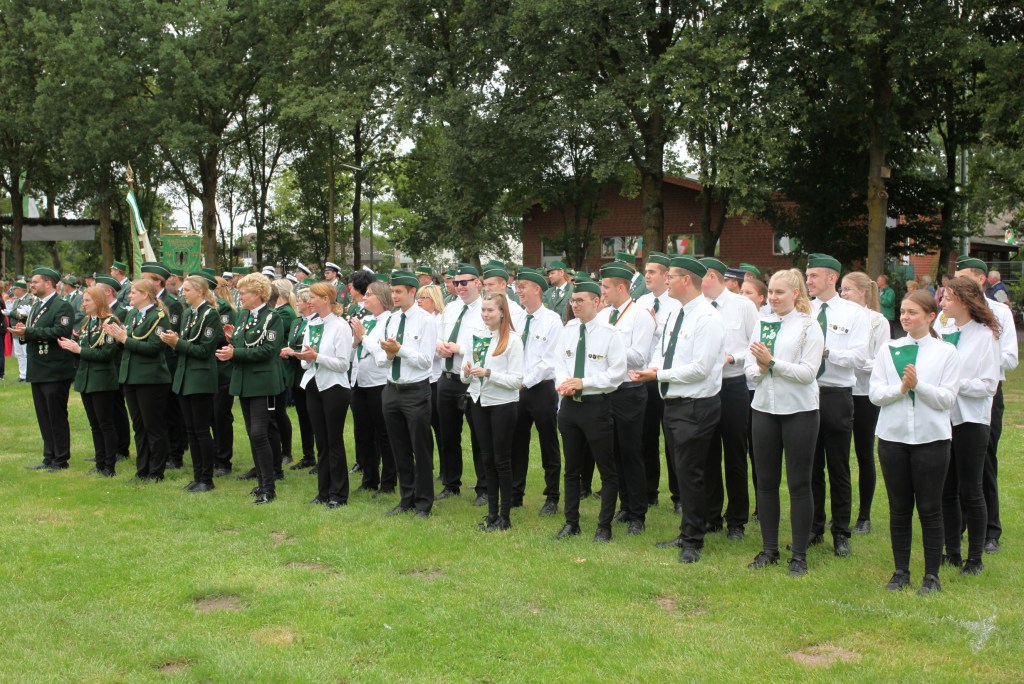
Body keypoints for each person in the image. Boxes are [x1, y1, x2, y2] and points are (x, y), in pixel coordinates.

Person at [633, 257, 724, 563]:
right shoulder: (676, 314)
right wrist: (653, 368)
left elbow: (700, 368)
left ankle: (693, 540)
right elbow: (662, 351)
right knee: (683, 471)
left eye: (671, 276)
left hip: (696, 405)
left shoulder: (707, 319)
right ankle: (688, 531)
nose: (666, 281)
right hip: (674, 403)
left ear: (687, 280)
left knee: (690, 472)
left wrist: (658, 375)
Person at [869, 290, 960, 594]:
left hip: (931, 439)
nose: (905, 317)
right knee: (899, 508)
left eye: (912, 312)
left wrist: (918, 386)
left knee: (930, 508)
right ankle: (900, 572)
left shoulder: (946, 352)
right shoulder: (889, 349)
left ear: (931, 316)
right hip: (893, 438)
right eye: (903, 312)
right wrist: (901, 388)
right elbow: (875, 394)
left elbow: (947, 399)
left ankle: (932, 575)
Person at [744, 269, 824, 577]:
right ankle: (769, 550)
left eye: (780, 292)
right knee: (765, 482)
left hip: (799, 411)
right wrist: (762, 368)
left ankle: (799, 555)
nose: (774, 297)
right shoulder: (762, 323)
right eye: (771, 292)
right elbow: (750, 369)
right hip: (764, 408)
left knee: (799, 483)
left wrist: (772, 363)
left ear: (795, 294)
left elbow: (808, 373)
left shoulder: (809, 326)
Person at [952, 257, 1018, 553]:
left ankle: (990, 529)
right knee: (952, 461)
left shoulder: (1000, 312)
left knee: (984, 460)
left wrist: (981, 359)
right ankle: (957, 527)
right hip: (950, 395)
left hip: (984, 392)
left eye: (963, 277)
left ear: (980, 280)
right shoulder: (947, 315)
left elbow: (1010, 358)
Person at [806, 253, 870, 558]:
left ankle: (841, 531)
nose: (808, 281)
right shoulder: (804, 310)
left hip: (836, 394)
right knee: (810, 466)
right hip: (806, 392)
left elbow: (860, 356)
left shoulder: (853, 313)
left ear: (832, 277)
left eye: (814, 276)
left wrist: (827, 351)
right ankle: (813, 527)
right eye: (807, 276)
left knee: (838, 466)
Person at [553, 276, 626, 542]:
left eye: (580, 301)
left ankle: (603, 526)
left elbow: (616, 374)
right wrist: (565, 382)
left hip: (596, 407)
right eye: (573, 301)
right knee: (571, 468)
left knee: (606, 469)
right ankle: (571, 522)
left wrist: (584, 383)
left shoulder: (610, 334)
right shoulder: (569, 329)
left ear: (596, 301)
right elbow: (559, 362)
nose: (574, 305)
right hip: (569, 406)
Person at [937, 277, 1001, 576]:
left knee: (971, 490)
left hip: (971, 421)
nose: (942, 303)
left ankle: (975, 557)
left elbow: (988, 385)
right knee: (946, 490)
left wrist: (954, 383)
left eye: (947, 298)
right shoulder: (945, 331)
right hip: (944, 419)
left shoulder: (985, 335)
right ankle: (952, 552)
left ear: (963, 301)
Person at [700, 257, 759, 541]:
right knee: (708, 453)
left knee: (735, 453)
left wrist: (733, 357)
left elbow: (757, 345)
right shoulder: (698, 306)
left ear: (712, 276)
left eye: (699, 276)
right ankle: (711, 516)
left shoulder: (742, 305)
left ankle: (736, 520)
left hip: (733, 385)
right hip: (705, 387)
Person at [215, 273, 286, 505]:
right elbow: (244, 343)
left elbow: (268, 350)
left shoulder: (272, 317)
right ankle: (261, 484)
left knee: (259, 434)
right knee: (252, 433)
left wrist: (235, 352)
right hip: (244, 381)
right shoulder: (244, 315)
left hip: (262, 382)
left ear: (257, 294)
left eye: (244, 293)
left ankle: (269, 488)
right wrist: (232, 342)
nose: (240, 296)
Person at [598, 259, 656, 535]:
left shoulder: (639, 315)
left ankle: (638, 513)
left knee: (631, 452)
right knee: (613, 452)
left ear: (621, 287)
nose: (602, 291)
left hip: (629, 392)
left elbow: (639, 357)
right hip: (606, 391)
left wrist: (609, 347)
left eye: (606, 287)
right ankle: (625, 504)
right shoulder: (603, 315)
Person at [374, 270, 438, 518]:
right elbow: (382, 360)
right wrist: (390, 354)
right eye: (392, 291)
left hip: (415, 392)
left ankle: (424, 503)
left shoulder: (426, 320)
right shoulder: (390, 319)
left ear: (413, 291)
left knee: (420, 448)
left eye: (399, 291)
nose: (394, 296)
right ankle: (406, 500)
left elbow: (425, 361)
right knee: (399, 448)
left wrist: (400, 350)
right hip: (392, 389)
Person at [286, 282, 353, 508]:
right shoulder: (312, 324)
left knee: (334, 441)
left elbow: (343, 364)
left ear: (326, 299)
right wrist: (304, 358)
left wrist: (316, 357)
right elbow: (307, 363)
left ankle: (339, 494)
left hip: (335, 387)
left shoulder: (341, 326)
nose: (309, 301)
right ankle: (323, 492)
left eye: (313, 297)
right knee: (321, 442)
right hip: (313, 385)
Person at [462, 292, 524, 531]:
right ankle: (491, 514)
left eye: (490, 310)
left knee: (502, 460)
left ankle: (505, 517)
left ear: (502, 313)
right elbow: (464, 376)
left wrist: (489, 373)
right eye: (483, 310)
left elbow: (516, 381)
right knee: (487, 458)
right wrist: (467, 372)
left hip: (502, 405)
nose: (485, 314)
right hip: (478, 401)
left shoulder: (513, 341)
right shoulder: (477, 337)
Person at [159, 274, 223, 493]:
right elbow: (186, 345)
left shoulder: (210, 315)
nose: (182, 293)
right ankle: (197, 476)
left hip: (200, 378)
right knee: (191, 430)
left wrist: (178, 343)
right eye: (183, 290)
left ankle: (207, 478)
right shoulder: (188, 313)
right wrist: (173, 342)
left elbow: (205, 350)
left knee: (201, 430)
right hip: (185, 377)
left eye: (186, 290)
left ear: (200, 291)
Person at [104, 278, 171, 482]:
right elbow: (127, 343)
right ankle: (142, 470)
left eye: (133, 292)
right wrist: (118, 338)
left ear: (145, 294)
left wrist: (125, 339)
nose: (129, 296)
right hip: (131, 377)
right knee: (139, 426)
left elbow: (155, 348)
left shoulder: (159, 317)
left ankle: (156, 472)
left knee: (153, 426)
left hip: (150, 379)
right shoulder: (133, 314)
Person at [10, 267, 76, 471]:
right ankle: (49, 457)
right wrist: (24, 332)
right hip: (38, 368)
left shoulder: (62, 306)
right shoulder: (37, 305)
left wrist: (29, 332)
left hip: (54, 369)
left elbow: (60, 331)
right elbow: (34, 330)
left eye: (35, 281)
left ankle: (61, 459)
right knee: (43, 416)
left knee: (56, 415)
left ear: (48, 283)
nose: (31, 285)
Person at [840, 271, 891, 534]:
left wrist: (854, 361)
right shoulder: (839, 316)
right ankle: (840, 513)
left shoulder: (878, 321)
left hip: (864, 395)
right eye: (841, 290)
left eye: (847, 289)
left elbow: (882, 361)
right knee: (838, 457)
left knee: (864, 454)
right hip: (840, 391)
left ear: (863, 291)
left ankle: (864, 515)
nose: (843, 294)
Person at [510, 268, 563, 515]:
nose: (519, 291)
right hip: (517, 388)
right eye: (518, 287)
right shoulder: (518, 319)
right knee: (516, 442)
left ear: (537, 290)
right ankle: (515, 493)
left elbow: (550, 361)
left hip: (541, 389)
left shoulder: (552, 320)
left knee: (548, 443)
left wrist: (525, 382)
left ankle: (552, 496)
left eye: (523, 287)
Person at [58, 286, 122, 476]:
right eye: (83, 300)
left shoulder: (109, 322)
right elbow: (85, 351)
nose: (83, 304)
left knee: (105, 424)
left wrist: (79, 350)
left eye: (87, 300)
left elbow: (106, 354)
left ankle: (109, 466)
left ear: (99, 301)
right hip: (87, 379)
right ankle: (100, 463)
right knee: (95, 425)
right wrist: (73, 348)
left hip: (102, 380)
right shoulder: (89, 322)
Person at [635, 252, 682, 512]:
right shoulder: (642, 302)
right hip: (645, 376)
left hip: (668, 377)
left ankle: (679, 497)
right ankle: (648, 491)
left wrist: (655, 327)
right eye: (646, 271)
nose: (647, 276)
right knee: (646, 437)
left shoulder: (677, 303)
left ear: (666, 276)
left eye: (652, 271)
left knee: (673, 439)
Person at [435, 264, 484, 504]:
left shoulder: (485, 309)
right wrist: (440, 346)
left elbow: (488, 344)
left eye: (465, 282)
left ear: (478, 283)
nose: (460, 287)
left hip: (471, 381)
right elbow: (437, 337)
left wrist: (459, 349)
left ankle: (484, 488)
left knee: (479, 435)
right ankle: (451, 483)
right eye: (456, 283)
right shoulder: (450, 308)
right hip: (447, 379)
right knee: (448, 435)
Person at [350, 281, 397, 495]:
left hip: (379, 382)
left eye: (369, 294)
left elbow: (380, 351)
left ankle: (388, 482)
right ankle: (369, 479)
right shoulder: (367, 320)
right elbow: (355, 349)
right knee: (364, 432)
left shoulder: (390, 321)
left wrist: (362, 336)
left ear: (381, 298)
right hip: (359, 380)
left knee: (384, 433)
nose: (365, 297)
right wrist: (356, 339)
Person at [140, 262, 186, 470]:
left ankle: (175, 455)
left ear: (157, 282)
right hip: (153, 364)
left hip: (168, 362)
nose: (141, 281)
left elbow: (170, 335)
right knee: (157, 413)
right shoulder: (147, 303)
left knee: (171, 411)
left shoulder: (171, 303)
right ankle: (162, 451)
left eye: (145, 278)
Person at [283, 288, 318, 472]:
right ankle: (308, 456)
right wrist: (288, 351)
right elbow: (291, 343)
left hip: (312, 375)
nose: (297, 303)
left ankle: (321, 457)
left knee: (315, 417)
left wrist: (293, 352)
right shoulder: (297, 322)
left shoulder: (317, 322)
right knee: (303, 417)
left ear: (309, 303)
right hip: (297, 375)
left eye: (300, 301)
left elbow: (311, 349)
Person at [415, 283, 446, 482]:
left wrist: (431, 345)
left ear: (434, 301)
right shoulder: (418, 320)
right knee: (424, 428)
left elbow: (440, 351)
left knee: (440, 428)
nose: (419, 301)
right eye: (418, 298)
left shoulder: (440, 320)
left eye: (423, 298)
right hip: (421, 379)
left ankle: (445, 470)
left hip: (436, 378)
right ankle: (428, 467)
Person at [212, 276, 238, 476]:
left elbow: (222, 338)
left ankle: (223, 460)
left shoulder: (223, 309)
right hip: (208, 370)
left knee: (221, 417)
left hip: (222, 370)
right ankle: (214, 456)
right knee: (210, 416)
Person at [270, 279, 297, 468]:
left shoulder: (284, 313)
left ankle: (286, 451)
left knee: (279, 412)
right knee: (276, 412)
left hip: (281, 366)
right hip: (278, 364)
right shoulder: (280, 311)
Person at [3, 279, 33, 381]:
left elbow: (24, 315)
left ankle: (28, 374)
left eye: (15, 288)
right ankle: (22, 375)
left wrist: (10, 313)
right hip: (15, 330)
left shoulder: (29, 299)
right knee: (19, 354)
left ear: (20, 289)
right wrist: (10, 312)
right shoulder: (16, 300)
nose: (13, 290)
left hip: (24, 330)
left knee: (26, 353)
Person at [876, 273, 897, 339]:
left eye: (878, 280)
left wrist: (879, 298)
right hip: (879, 315)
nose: (877, 282)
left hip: (888, 316)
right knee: (881, 335)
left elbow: (887, 303)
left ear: (883, 282)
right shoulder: (878, 290)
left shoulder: (890, 292)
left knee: (890, 334)